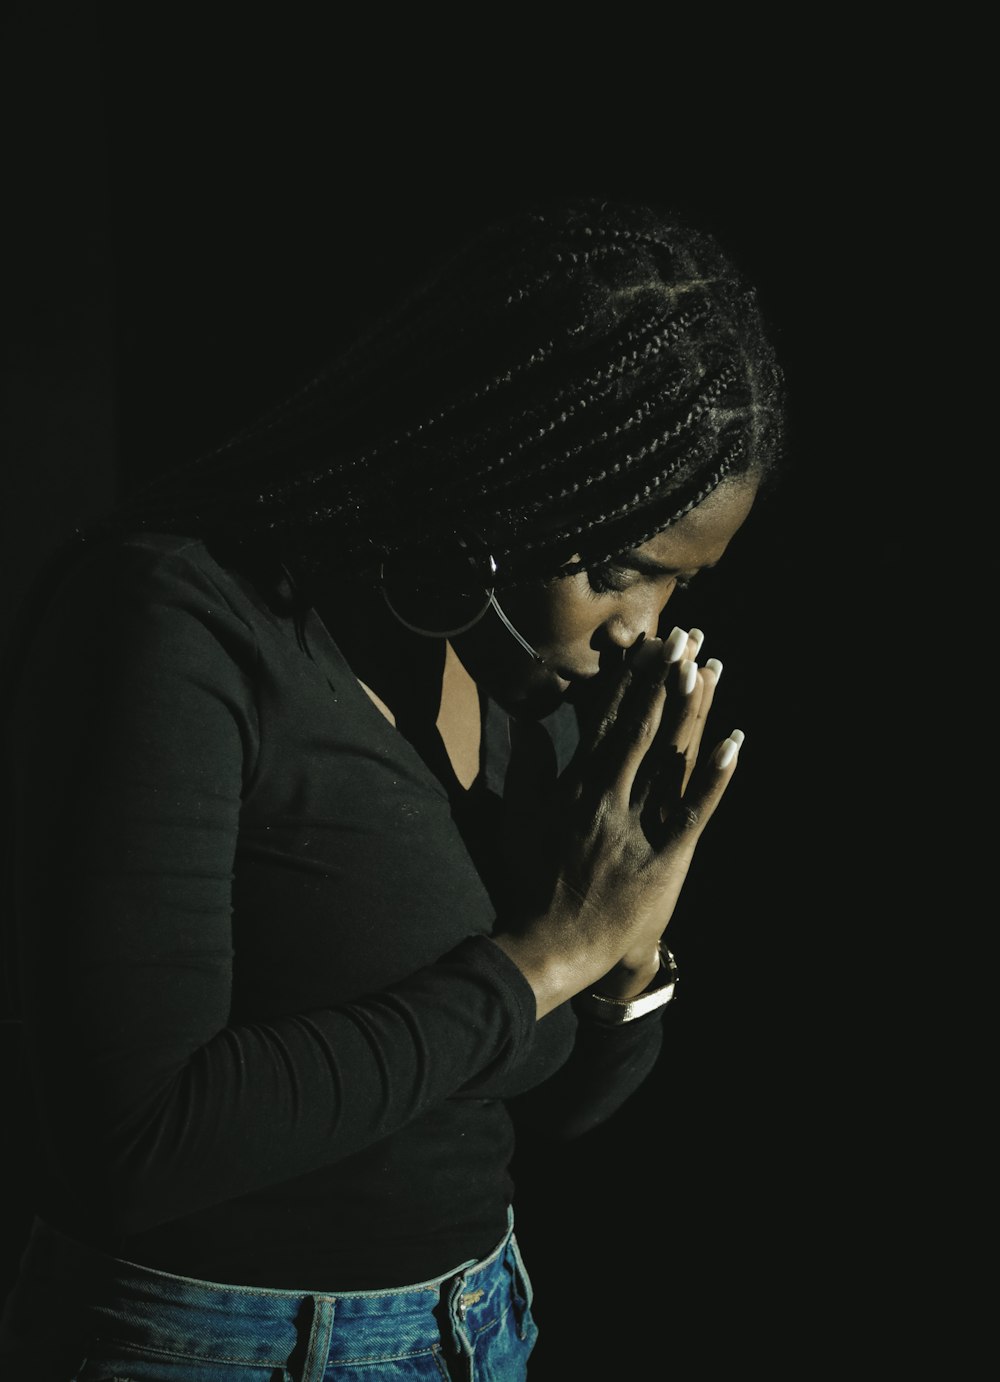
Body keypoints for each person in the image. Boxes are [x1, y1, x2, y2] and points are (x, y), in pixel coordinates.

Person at [0, 196, 785, 1380]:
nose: (643, 629)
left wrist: (628, 948)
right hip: (208, 1345)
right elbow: (128, 1140)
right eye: (622, 567)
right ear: (501, 468)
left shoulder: (524, 678)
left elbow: (543, 1104)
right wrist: (551, 953)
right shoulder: (176, 621)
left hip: (475, 1322)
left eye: (679, 587)